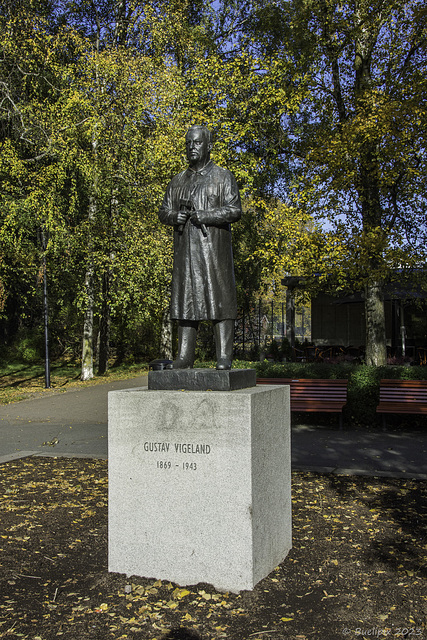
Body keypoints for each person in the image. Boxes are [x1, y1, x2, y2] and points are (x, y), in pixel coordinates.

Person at [158, 125, 242, 370]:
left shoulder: (223, 177)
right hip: (186, 253)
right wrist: (174, 217)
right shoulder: (177, 181)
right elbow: (163, 211)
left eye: (196, 143)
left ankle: (224, 356)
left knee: (221, 301)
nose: (191, 148)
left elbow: (235, 210)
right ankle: (184, 356)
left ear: (208, 146)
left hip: (214, 252)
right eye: (188, 144)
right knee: (185, 301)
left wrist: (205, 215)